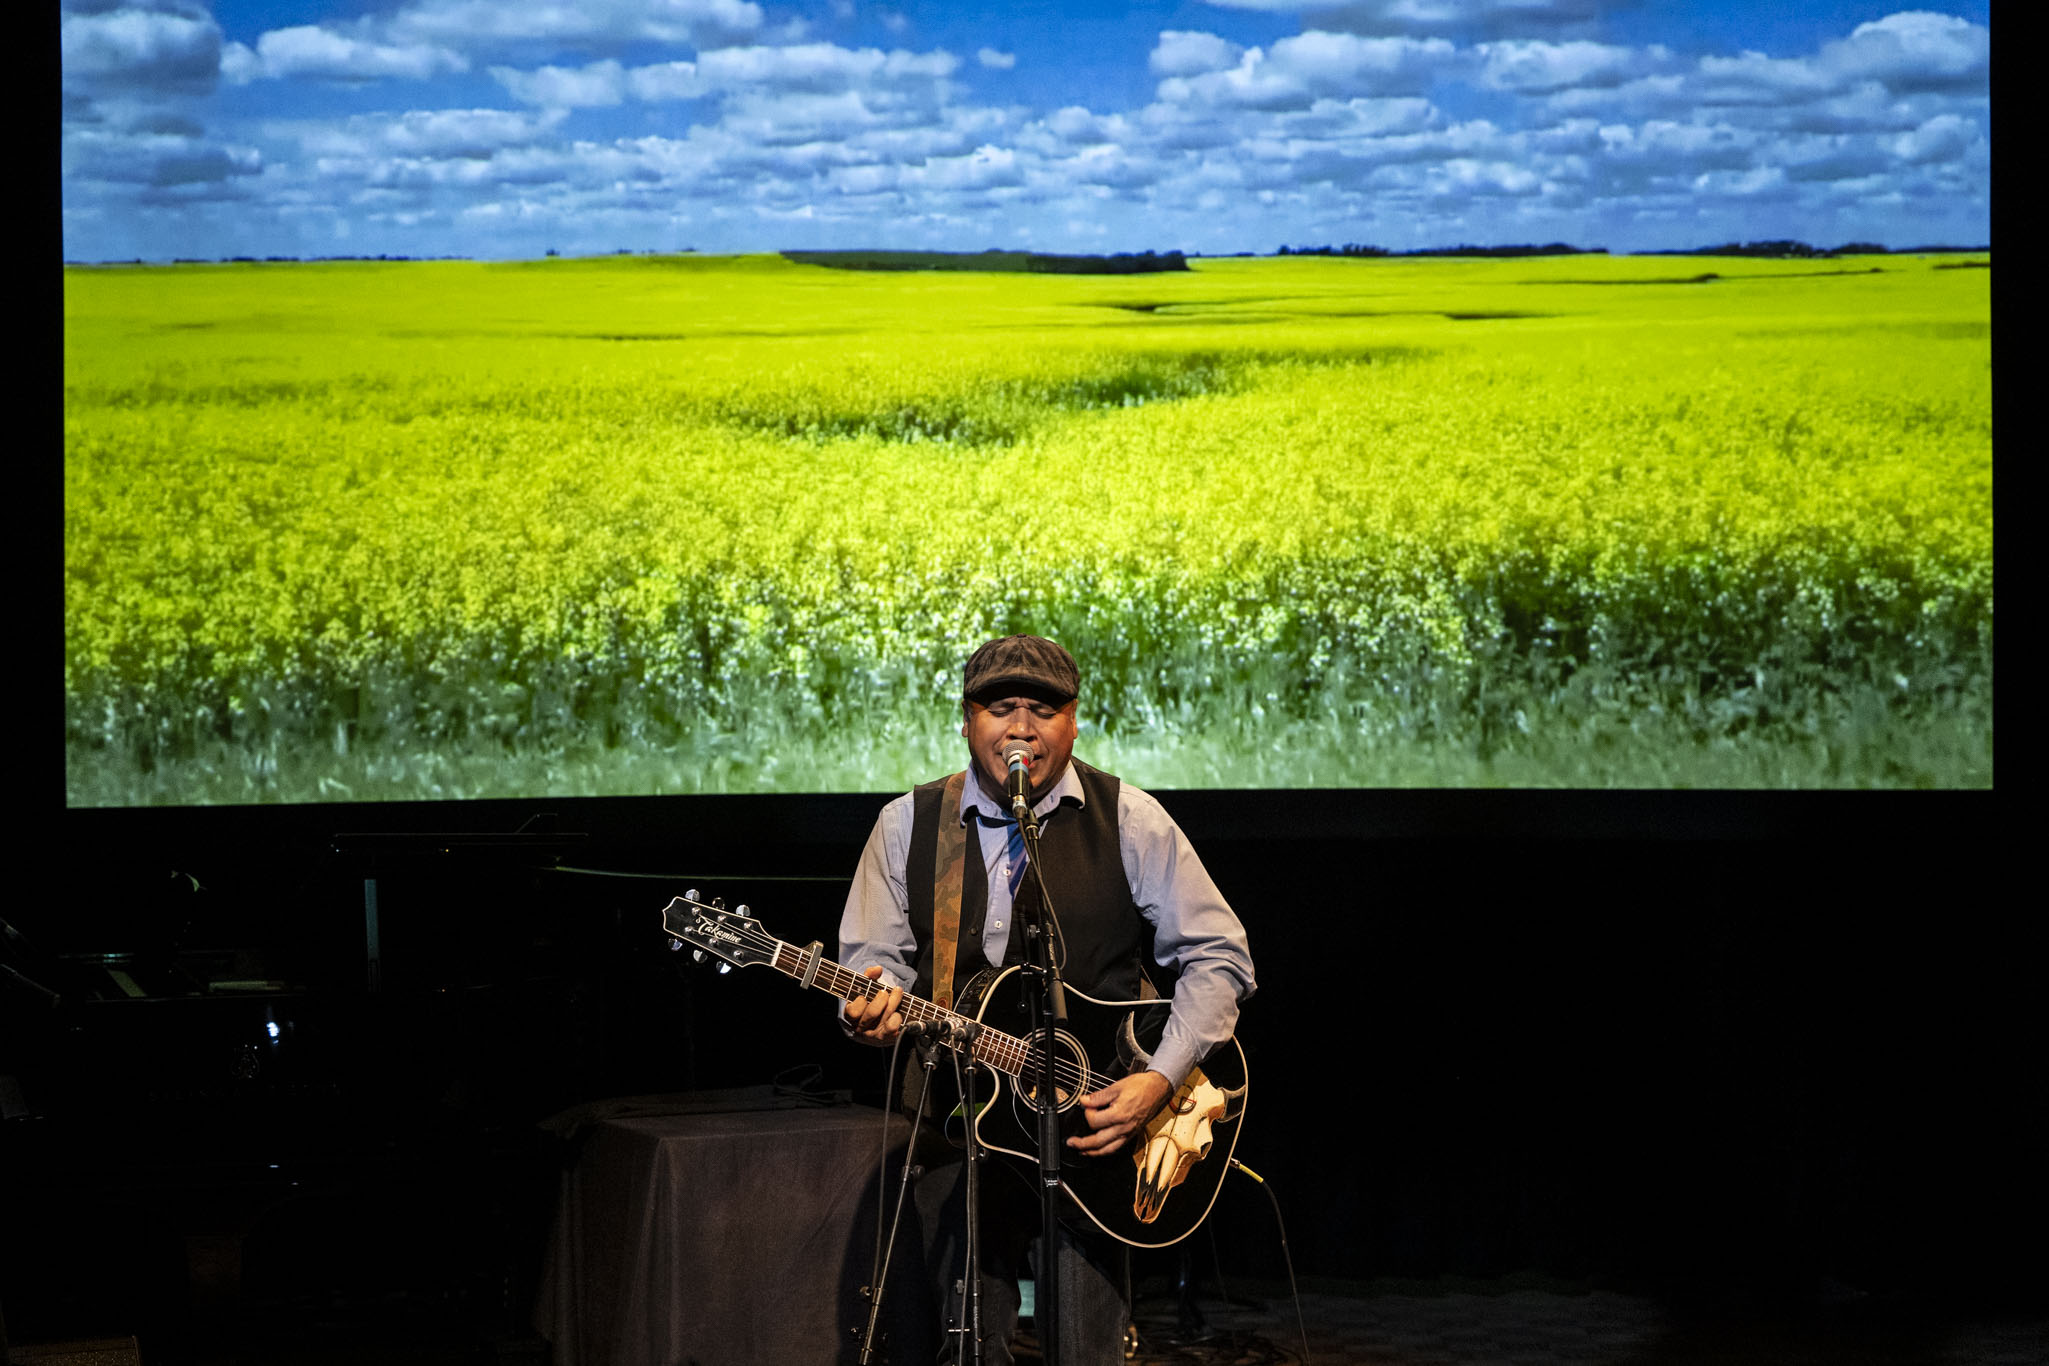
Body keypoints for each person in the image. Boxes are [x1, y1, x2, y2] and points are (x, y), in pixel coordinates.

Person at [839, 634, 1256, 1366]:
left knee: (1085, 1351)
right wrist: (870, 1007)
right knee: (966, 1348)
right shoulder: (906, 824)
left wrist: (1157, 1079)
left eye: (1043, 709)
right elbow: (874, 966)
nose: (1021, 728)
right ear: (968, 719)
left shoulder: (1129, 817)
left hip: (1098, 1134)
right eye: (1001, 708)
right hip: (957, 1125)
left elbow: (1219, 956)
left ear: (1073, 722)